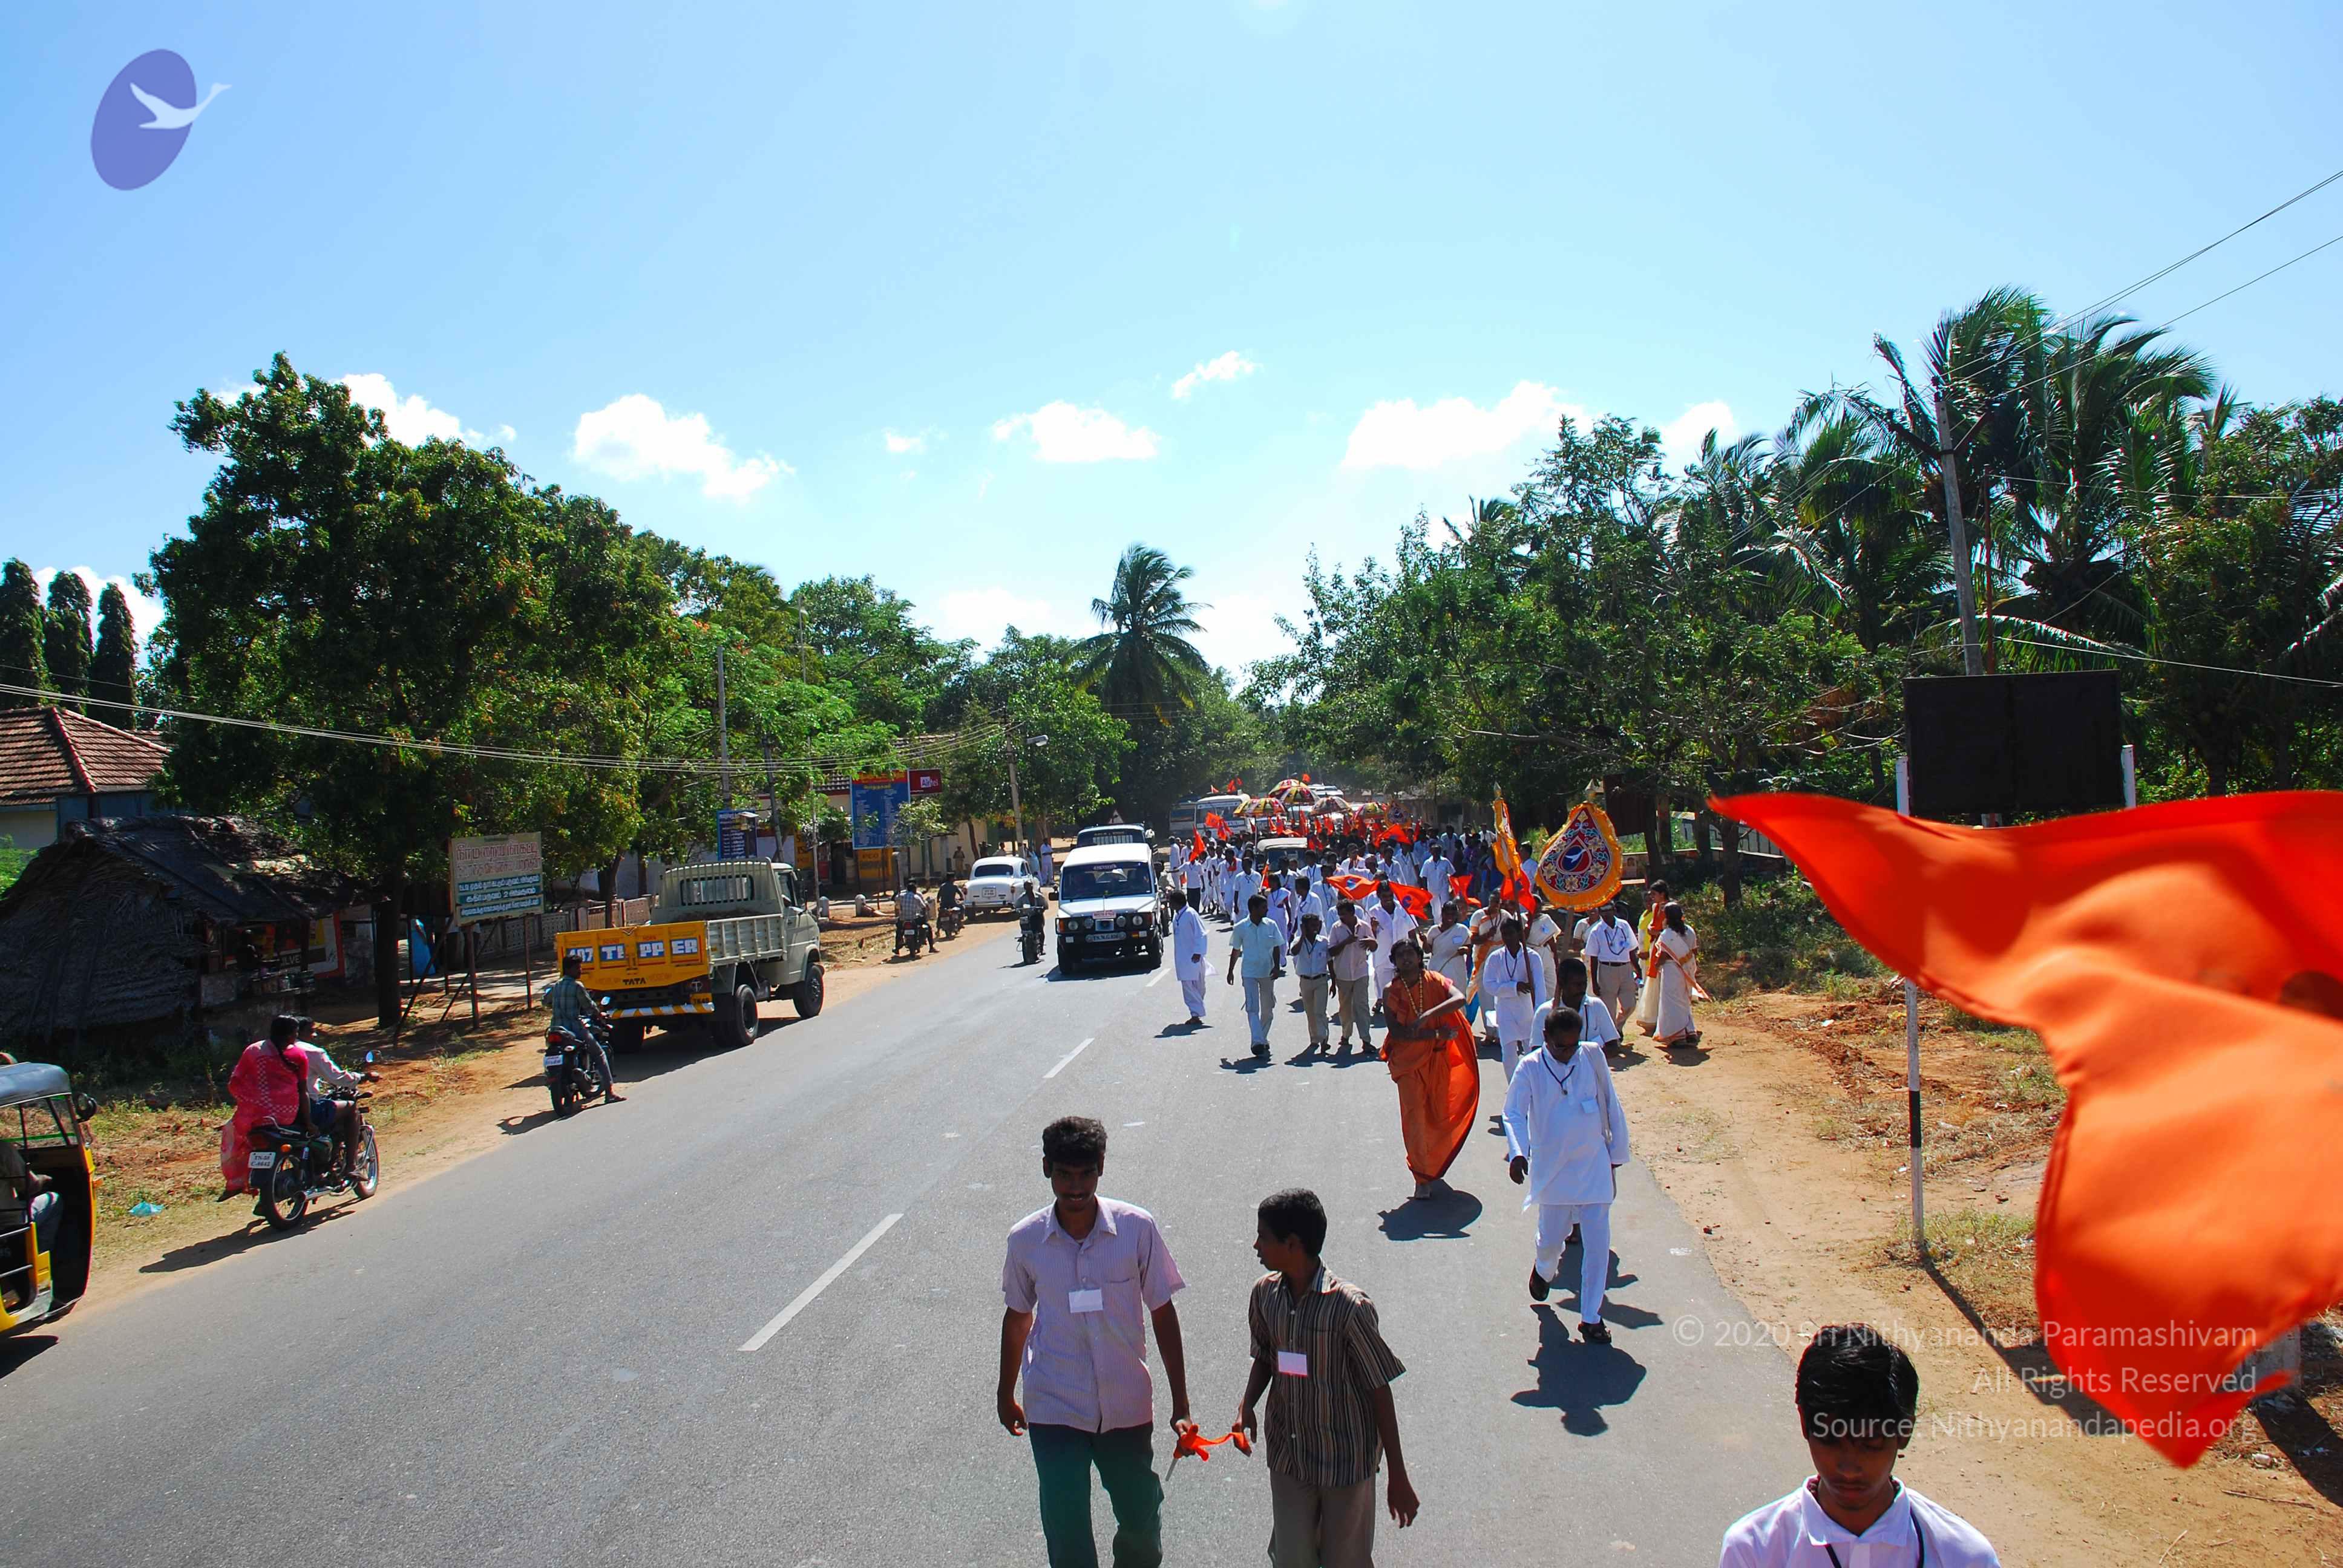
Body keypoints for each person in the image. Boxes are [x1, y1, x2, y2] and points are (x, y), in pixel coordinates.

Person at [1000, 1117, 1191, 1568]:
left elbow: (1162, 1313)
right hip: (1054, 1407)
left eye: (1086, 1174)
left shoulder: (1136, 1228)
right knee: (1066, 1530)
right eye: (1064, 1175)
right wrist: (1005, 1394)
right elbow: (1018, 1317)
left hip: (1126, 1406)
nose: (1076, 1187)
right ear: (1046, 1169)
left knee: (1141, 1520)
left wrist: (1181, 1404)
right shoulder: (1026, 1240)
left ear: (1101, 1167)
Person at [1717, 1324, 2000, 1566]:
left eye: (1870, 1443)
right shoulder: (1752, 1551)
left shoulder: (1965, 1558)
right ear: (1805, 1423)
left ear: (1905, 1431)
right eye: (1830, 1440)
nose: (1849, 1469)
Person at [1238, 1189, 1418, 1567]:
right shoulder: (1265, 1296)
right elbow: (1266, 1357)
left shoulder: (1349, 1308)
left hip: (1345, 1464)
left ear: (1292, 1244)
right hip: (1290, 1458)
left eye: (1263, 1237)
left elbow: (1379, 1389)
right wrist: (1246, 1406)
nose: (1256, 1246)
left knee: (1346, 1559)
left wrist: (1398, 1476)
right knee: (1292, 1558)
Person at [1503, 1005, 1630, 1344]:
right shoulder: (1530, 1067)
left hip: (1593, 1166)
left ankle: (1591, 1318)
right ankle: (1544, 1269)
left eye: (1573, 1045)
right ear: (1545, 1038)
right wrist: (1518, 1152)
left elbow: (1610, 1102)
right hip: (1554, 1171)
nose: (1568, 1053)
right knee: (1551, 1241)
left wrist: (1617, 1153)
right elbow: (1513, 1113)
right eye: (1561, 1046)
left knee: (1598, 1246)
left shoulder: (1591, 1057)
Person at [1377, 941, 1479, 1201]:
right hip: (1409, 1065)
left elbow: (1459, 998)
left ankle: (1432, 1164)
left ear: (1419, 956)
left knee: (1437, 1115)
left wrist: (1428, 1016)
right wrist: (1434, 1034)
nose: (1406, 959)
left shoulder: (1435, 981)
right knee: (1415, 1119)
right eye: (1400, 955)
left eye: (1410, 953)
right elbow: (1398, 1033)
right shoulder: (1391, 991)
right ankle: (1421, 1177)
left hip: (1438, 1060)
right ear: (1394, 961)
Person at [1479, 916, 1550, 1082]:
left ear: (1519, 934)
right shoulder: (1495, 957)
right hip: (1506, 1012)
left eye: (1511, 933)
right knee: (1509, 1053)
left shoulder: (1532, 957)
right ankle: (1514, 1086)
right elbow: (1489, 985)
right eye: (1504, 934)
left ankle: (1534, 1085)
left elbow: (1540, 988)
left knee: (1532, 1052)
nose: (1508, 938)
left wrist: (1539, 1013)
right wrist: (1513, 987)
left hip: (1528, 1012)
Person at [547, 953, 624, 1103]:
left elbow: (545, 1001)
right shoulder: (577, 986)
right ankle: (610, 1093)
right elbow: (589, 1006)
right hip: (573, 1029)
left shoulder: (556, 986)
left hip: (555, 1028)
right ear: (568, 969)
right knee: (600, 1054)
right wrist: (600, 1015)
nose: (580, 971)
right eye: (577, 968)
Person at [1227, 893, 1287, 1060]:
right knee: (1252, 1008)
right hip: (1249, 973)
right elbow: (1236, 950)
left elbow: (1276, 946)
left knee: (1268, 1009)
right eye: (1263, 907)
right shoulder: (1241, 927)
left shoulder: (1271, 925)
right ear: (1253, 909)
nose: (1267, 910)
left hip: (1267, 972)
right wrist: (1231, 971)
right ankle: (1257, 1042)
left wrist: (1277, 966)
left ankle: (1262, 1038)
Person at [1579, 903, 1640, 1034]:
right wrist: (1595, 982)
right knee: (1609, 1008)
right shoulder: (1596, 931)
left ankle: (1618, 1027)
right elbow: (1594, 958)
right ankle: (1612, 1037)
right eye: (1603, 911)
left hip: (1625, 969)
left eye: (1608, 910)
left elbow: (1631, 950)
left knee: (1630, 1004)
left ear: (1614, 910)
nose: (1606, 914)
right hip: (1606, 970)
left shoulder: (1624, 926)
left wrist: (1638, 969)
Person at [1325, 898, 1375, 1055]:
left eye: (1344, 915)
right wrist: (1346, 942)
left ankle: (1366, 1040)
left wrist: (1371, 942)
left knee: (1362, 1006)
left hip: (1361, 972)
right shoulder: (1336, 928)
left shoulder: (1364, 926)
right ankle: (1346, 1035)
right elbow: (1331, 951)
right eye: (1340, 915)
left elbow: (1374, 946)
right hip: (1343, 974)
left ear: (1352, 913)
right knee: (1345, 1008)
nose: (1342, 918)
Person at [1649, 901, 1702, 1046]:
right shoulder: (1690, 931)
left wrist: (1656, 965)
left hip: (1672, 971)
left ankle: (1678, 1036)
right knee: (1684, 1001)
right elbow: (1694, 951)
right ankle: (1689, 1031)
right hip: (1687, 970)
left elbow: (1664, 956)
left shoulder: (1667, 934)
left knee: (1672, 1003)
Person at [1363, 883, 1417, 1013]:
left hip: (1403, 954)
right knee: (1383, 982)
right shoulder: (1373, 912)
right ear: (1379, 896)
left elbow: (1411, 931)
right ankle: (1382, 1001)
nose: (1388, 899)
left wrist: (1416, 952)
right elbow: (1368, 936)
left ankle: (1404, 1005)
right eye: (1384, 896)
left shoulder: (1403, 909)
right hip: (1383, 954)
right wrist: (1373, 928)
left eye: (1390, 896)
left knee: (1404, 981)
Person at [1289, 912, 1333, 1052]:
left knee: (1320, 1011)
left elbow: (1330, 961)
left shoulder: (1324, 941)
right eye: (1312, 926)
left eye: (1317, 925)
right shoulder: (1298, 941)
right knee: (1310, 1012)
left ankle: (1324, 1038)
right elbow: (1294, 952)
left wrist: (1334, 982)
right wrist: (1303, 936)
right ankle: (1315, 1038)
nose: (1315, 928)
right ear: (1304, 927)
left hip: (1321, 980)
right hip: (1305, 981)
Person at [1633, 880, 1670, 1036]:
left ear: (1662, 894)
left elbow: (1670, 929)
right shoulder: (1655, 908)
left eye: (1654, 894)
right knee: (1652, 986)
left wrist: (1657, 932)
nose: (1652, 898)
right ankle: (1654, 1019)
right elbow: (1652, 928)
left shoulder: (1671, 908)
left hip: (1666, 949)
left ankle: (1667, 1021)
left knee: (1665, 987)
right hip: (1654, 947)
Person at [1170, 888, 1209, 1027]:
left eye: (1171, 902)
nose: (1169, 905)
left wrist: (1198, 952)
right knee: (1188, 987)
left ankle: (1197, 1012)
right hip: (1182, 958)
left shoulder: (1191, 914)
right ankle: (1195, 1013)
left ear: (1177, 902)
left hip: (1193, 957)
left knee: (1198, 986)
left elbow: (1202, 934)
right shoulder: (1177, 916)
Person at [1424, 900, 1473, 996]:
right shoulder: (1434, 930)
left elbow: (1470, 949)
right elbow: (1427, 950)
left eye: (1453, 914)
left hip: (1457, 970)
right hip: (1438, 969)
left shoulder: (1462, 930)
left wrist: (1465, 950)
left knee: (1457, 997)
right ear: (1442, 914)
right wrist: (1425, 942)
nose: (1450, 917)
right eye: (1447, 914)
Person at [1420, 843, 1455, 923]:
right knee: (1436, 909)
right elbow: (1424, 877)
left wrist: (1453, 887)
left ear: (1440, 852)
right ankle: (1438, 925)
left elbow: (1452, 874)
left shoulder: (1445, 862)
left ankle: (1447, 923)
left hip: (1444, 888)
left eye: (1438, 851)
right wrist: (1425, 890)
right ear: (1431, 852)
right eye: (1434, 851)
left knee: (1446, 906)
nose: (1436, 853)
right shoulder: (1427, 863)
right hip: (1432, 890)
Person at [896, 880, 930, 954]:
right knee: (928, 928)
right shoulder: (916, 897)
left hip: (903, 919)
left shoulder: (901, 896)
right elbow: (924, 907)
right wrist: (924, 916)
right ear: (914, 890)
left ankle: (897, 947)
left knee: (899, 930)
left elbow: (897, 906)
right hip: (914, 918)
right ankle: (931, 947)